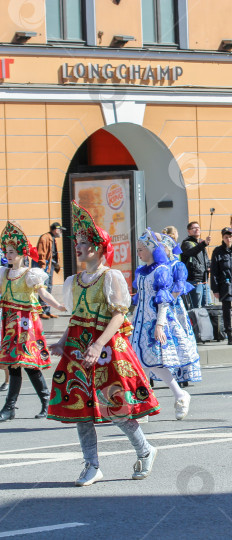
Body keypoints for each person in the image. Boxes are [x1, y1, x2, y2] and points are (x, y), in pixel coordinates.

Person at [48, 201, 160, 486]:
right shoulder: (74, 281)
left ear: (98, 248)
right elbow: (76, 317)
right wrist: (62, 342)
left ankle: (145, 451)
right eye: (78, 242)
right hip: (77, 349)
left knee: (116, 407)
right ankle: (91, 465)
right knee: (81, 409)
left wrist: (98, 345)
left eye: (84, 243)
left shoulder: (110, 277)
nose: (79, 247)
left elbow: (120, 314)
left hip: (107, 350)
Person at [0, 221, 67, 421]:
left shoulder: (31, 274)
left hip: (27, 324)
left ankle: (44, 402)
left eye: (12, 252)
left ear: (21, 253)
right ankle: (11, 407)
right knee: (14, 364)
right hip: (10, 323)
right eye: (7, 251)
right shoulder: (4, 273)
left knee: (29, 364)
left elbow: (43, 294)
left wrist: (58, 306)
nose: (8, 255)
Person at [131, 229, 196, 420]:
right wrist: (131, 320)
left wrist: (159, 325)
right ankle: (144, 404)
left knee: (154, 363)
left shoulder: (162, 271)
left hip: (153, 323)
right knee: (139, 364)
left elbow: (164, 301)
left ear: (151, 249)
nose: (139, 253)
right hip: (140, 323)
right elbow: (139, 299)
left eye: (141, 249)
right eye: (138, 249)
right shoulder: (141, 272)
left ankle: (179, 394)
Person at [158, 234, 202, 389]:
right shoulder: (158, 266)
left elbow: (179, 285)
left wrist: (169, 300)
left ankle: (183, 371)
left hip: (174, 307)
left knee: (179, 336)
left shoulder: (177, 265)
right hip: (161, 305)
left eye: (162, 247)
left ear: (169, 249)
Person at [35, 222, 64, 319]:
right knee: (44, 287)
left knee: (49, 287)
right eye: (60, 230)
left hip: (50, 265)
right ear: (55, 229)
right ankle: (42, 311)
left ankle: (47, 311)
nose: (60, 232)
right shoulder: (45, 237)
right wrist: (43, 266)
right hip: (45, 265)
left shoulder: (52, 238)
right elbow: (41, 253)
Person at [180, 221, 211, 309]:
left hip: (204, 279)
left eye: (198, 227)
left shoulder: (200, 242)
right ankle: (196, 323)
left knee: (208, 306)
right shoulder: (186, 243)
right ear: (189, 231)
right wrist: (204, 244)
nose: (197, 229)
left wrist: (209, 266)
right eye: (194, 228)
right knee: (196, 307)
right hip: (194, 280)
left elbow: (205, 258)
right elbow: (192, 252)